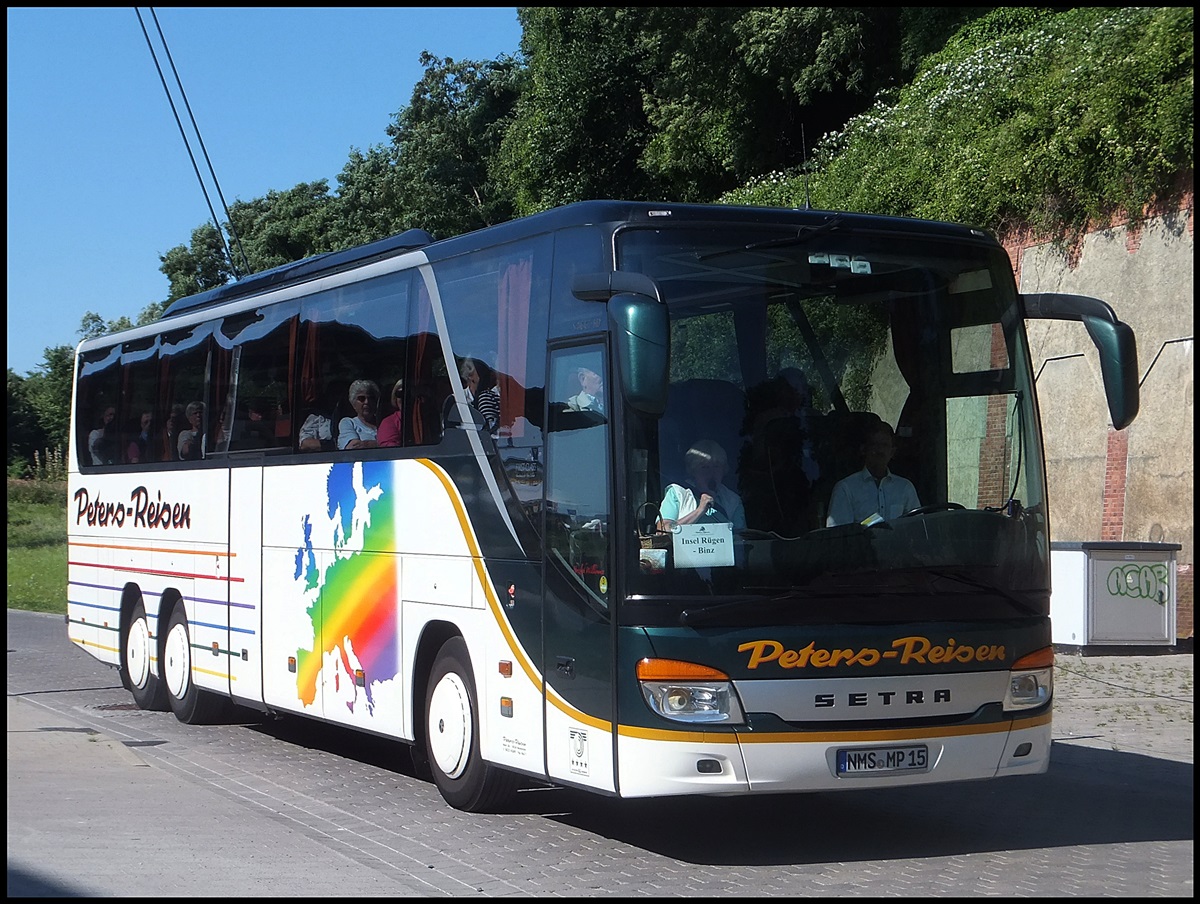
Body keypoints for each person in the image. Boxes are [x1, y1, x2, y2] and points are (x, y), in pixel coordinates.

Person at [825, 421, 920, 526]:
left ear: (892, 452)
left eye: (884, 445)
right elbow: (839, 536)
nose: (879, 450)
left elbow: (917, 529)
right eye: (874, 444)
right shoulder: (845, 488)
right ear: (864, 449)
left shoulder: (905, 488)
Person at [657, 439, 746, 531]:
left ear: (724, 470)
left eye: (716, 466)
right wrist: (699, 510)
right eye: (704, 467)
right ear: (693, 471)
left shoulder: (733, 500)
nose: (711, 472)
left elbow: (742, 538)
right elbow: (663, 530)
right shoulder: (677, 493)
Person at [460, 358, 500, 436]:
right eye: (482, 371)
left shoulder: (492, 397)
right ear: (470, 375)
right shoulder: (457, 399)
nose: (487, 376)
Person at [338, 380, 380, 450]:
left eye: (371, 398)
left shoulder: (384, 423)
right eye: (361, 399)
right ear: (353, 403)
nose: (367, 402)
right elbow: (354, 447)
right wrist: (382, 443)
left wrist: (367, 444)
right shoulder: (348, 422)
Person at [377, 378, 405, 447]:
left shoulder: (430, 418)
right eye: (400, 394)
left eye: (408, 393)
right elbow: (391, 450)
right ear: (395, 398)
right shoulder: (389, 422)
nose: (404, 397)